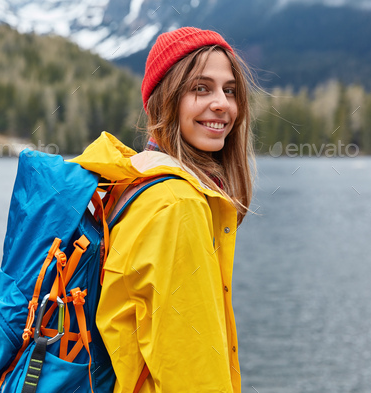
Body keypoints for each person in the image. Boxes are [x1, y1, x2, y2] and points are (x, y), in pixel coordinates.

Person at [69, 26, 255, 393]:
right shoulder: (176, 205)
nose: (222, 104)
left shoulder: (128, 180)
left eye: (229, 90)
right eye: (201, 88)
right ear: (164, 101)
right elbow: (192, 371)